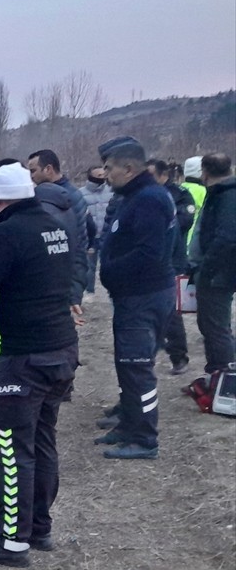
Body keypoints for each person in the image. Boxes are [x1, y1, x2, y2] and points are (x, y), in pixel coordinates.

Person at [0, 163, 77, 567]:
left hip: (16, 357)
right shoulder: (54, 225)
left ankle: (10, 541)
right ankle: (39, 527)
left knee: (10, 449)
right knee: (42, 441)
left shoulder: (4, 234)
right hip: (59, 350)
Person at [95, 140, 176, 460]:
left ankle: (144, 439)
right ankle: (129, 424)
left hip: (143, 297)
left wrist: (111, 269)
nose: (105, 173)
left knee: (138, 368)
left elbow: (149, 253)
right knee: (127, 365)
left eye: (110, 168)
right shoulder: (135, 196)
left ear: (129, 169)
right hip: (132, 297)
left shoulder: (149, 200)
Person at [148, 159, 195, 375]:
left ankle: (178, 356)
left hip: (172, 261)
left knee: (171, 312)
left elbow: (183, 221)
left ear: (162, 174)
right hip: (147, 262)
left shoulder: (180, 195)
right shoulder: (142, 195)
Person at [191, 153, 236, 375]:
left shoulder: (227, 195)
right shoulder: (222, 192)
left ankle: (224, 380)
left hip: (218, 274)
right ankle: (216, 374)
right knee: (212, 325)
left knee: (216, 328)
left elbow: (227, 237)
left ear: (205, 171)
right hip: (217, 272)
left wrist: (206, 268)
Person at [28, 150, 88, 311]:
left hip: (61, 285)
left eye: (33, 170)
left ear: (48, 169)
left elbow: (79, 245)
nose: (31, 176)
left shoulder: (70, 198)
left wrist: (74, 293)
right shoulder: (43, 197)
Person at [80, 166, 111, 295]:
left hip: (106, 235)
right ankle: (89, 291)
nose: (102, 178)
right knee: (89, 266)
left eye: (103, 175)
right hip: (89, 236)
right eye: (98, 176)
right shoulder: (81, 193)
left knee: (108, 264)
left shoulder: (111, 191)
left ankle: (110, 290)